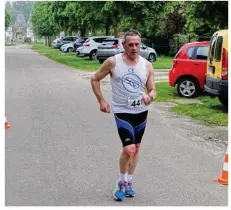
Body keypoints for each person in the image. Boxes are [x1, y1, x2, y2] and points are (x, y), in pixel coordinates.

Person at [91, 29, 156, 201]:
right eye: (130, 45)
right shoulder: (113, 62)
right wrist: (101, 101)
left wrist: (150, 97)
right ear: (123, 45)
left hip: (141, 112)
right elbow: (95, 78)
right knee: (129, 149)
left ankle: (129, 182)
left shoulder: (147, 65)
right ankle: (121, 182)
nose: (134, 48)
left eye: (137, 44)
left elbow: (152, 89)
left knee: (137, 149)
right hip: (122, 111)